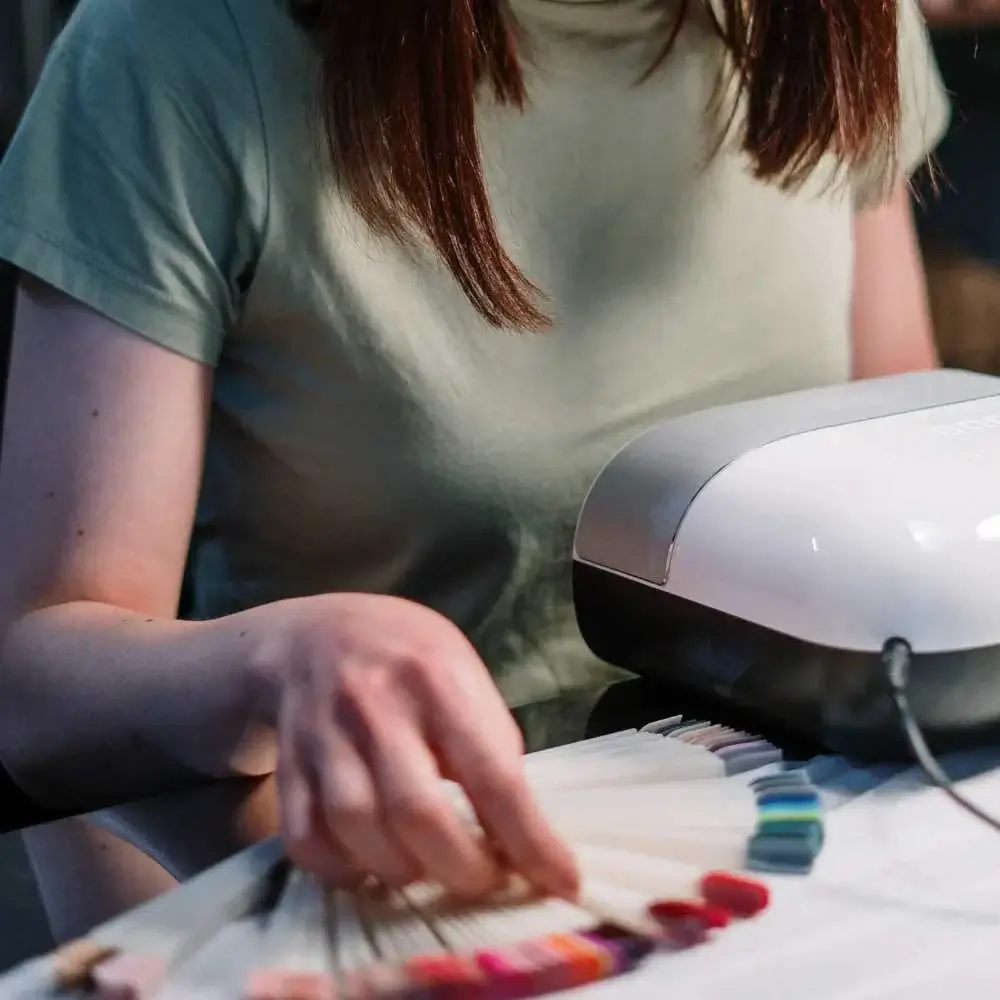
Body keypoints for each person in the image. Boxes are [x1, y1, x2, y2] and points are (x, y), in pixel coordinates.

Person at [0, 0, 947, 942]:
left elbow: (904, 505)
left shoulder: (832, 20)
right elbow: (36, 682)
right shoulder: (177, 46)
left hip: (808, 877)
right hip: (395, 889)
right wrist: (273, 662)